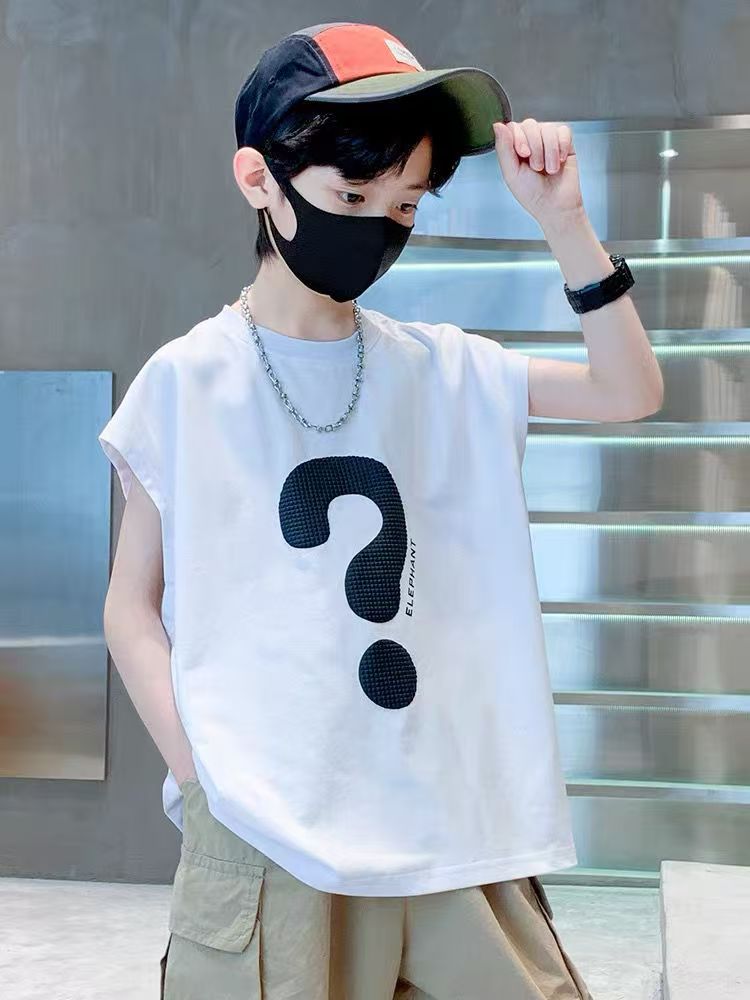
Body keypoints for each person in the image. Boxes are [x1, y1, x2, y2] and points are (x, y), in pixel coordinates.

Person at [100, 20, 660, 1000]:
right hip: (271, 830)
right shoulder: (187, 383)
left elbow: (627, 390)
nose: (378, 227)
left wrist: (566, 223)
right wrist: (202, 777)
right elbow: (130, 605)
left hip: (451, 829)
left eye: (403, 204)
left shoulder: (441, 368)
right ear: (259, 179)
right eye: (351, 197)